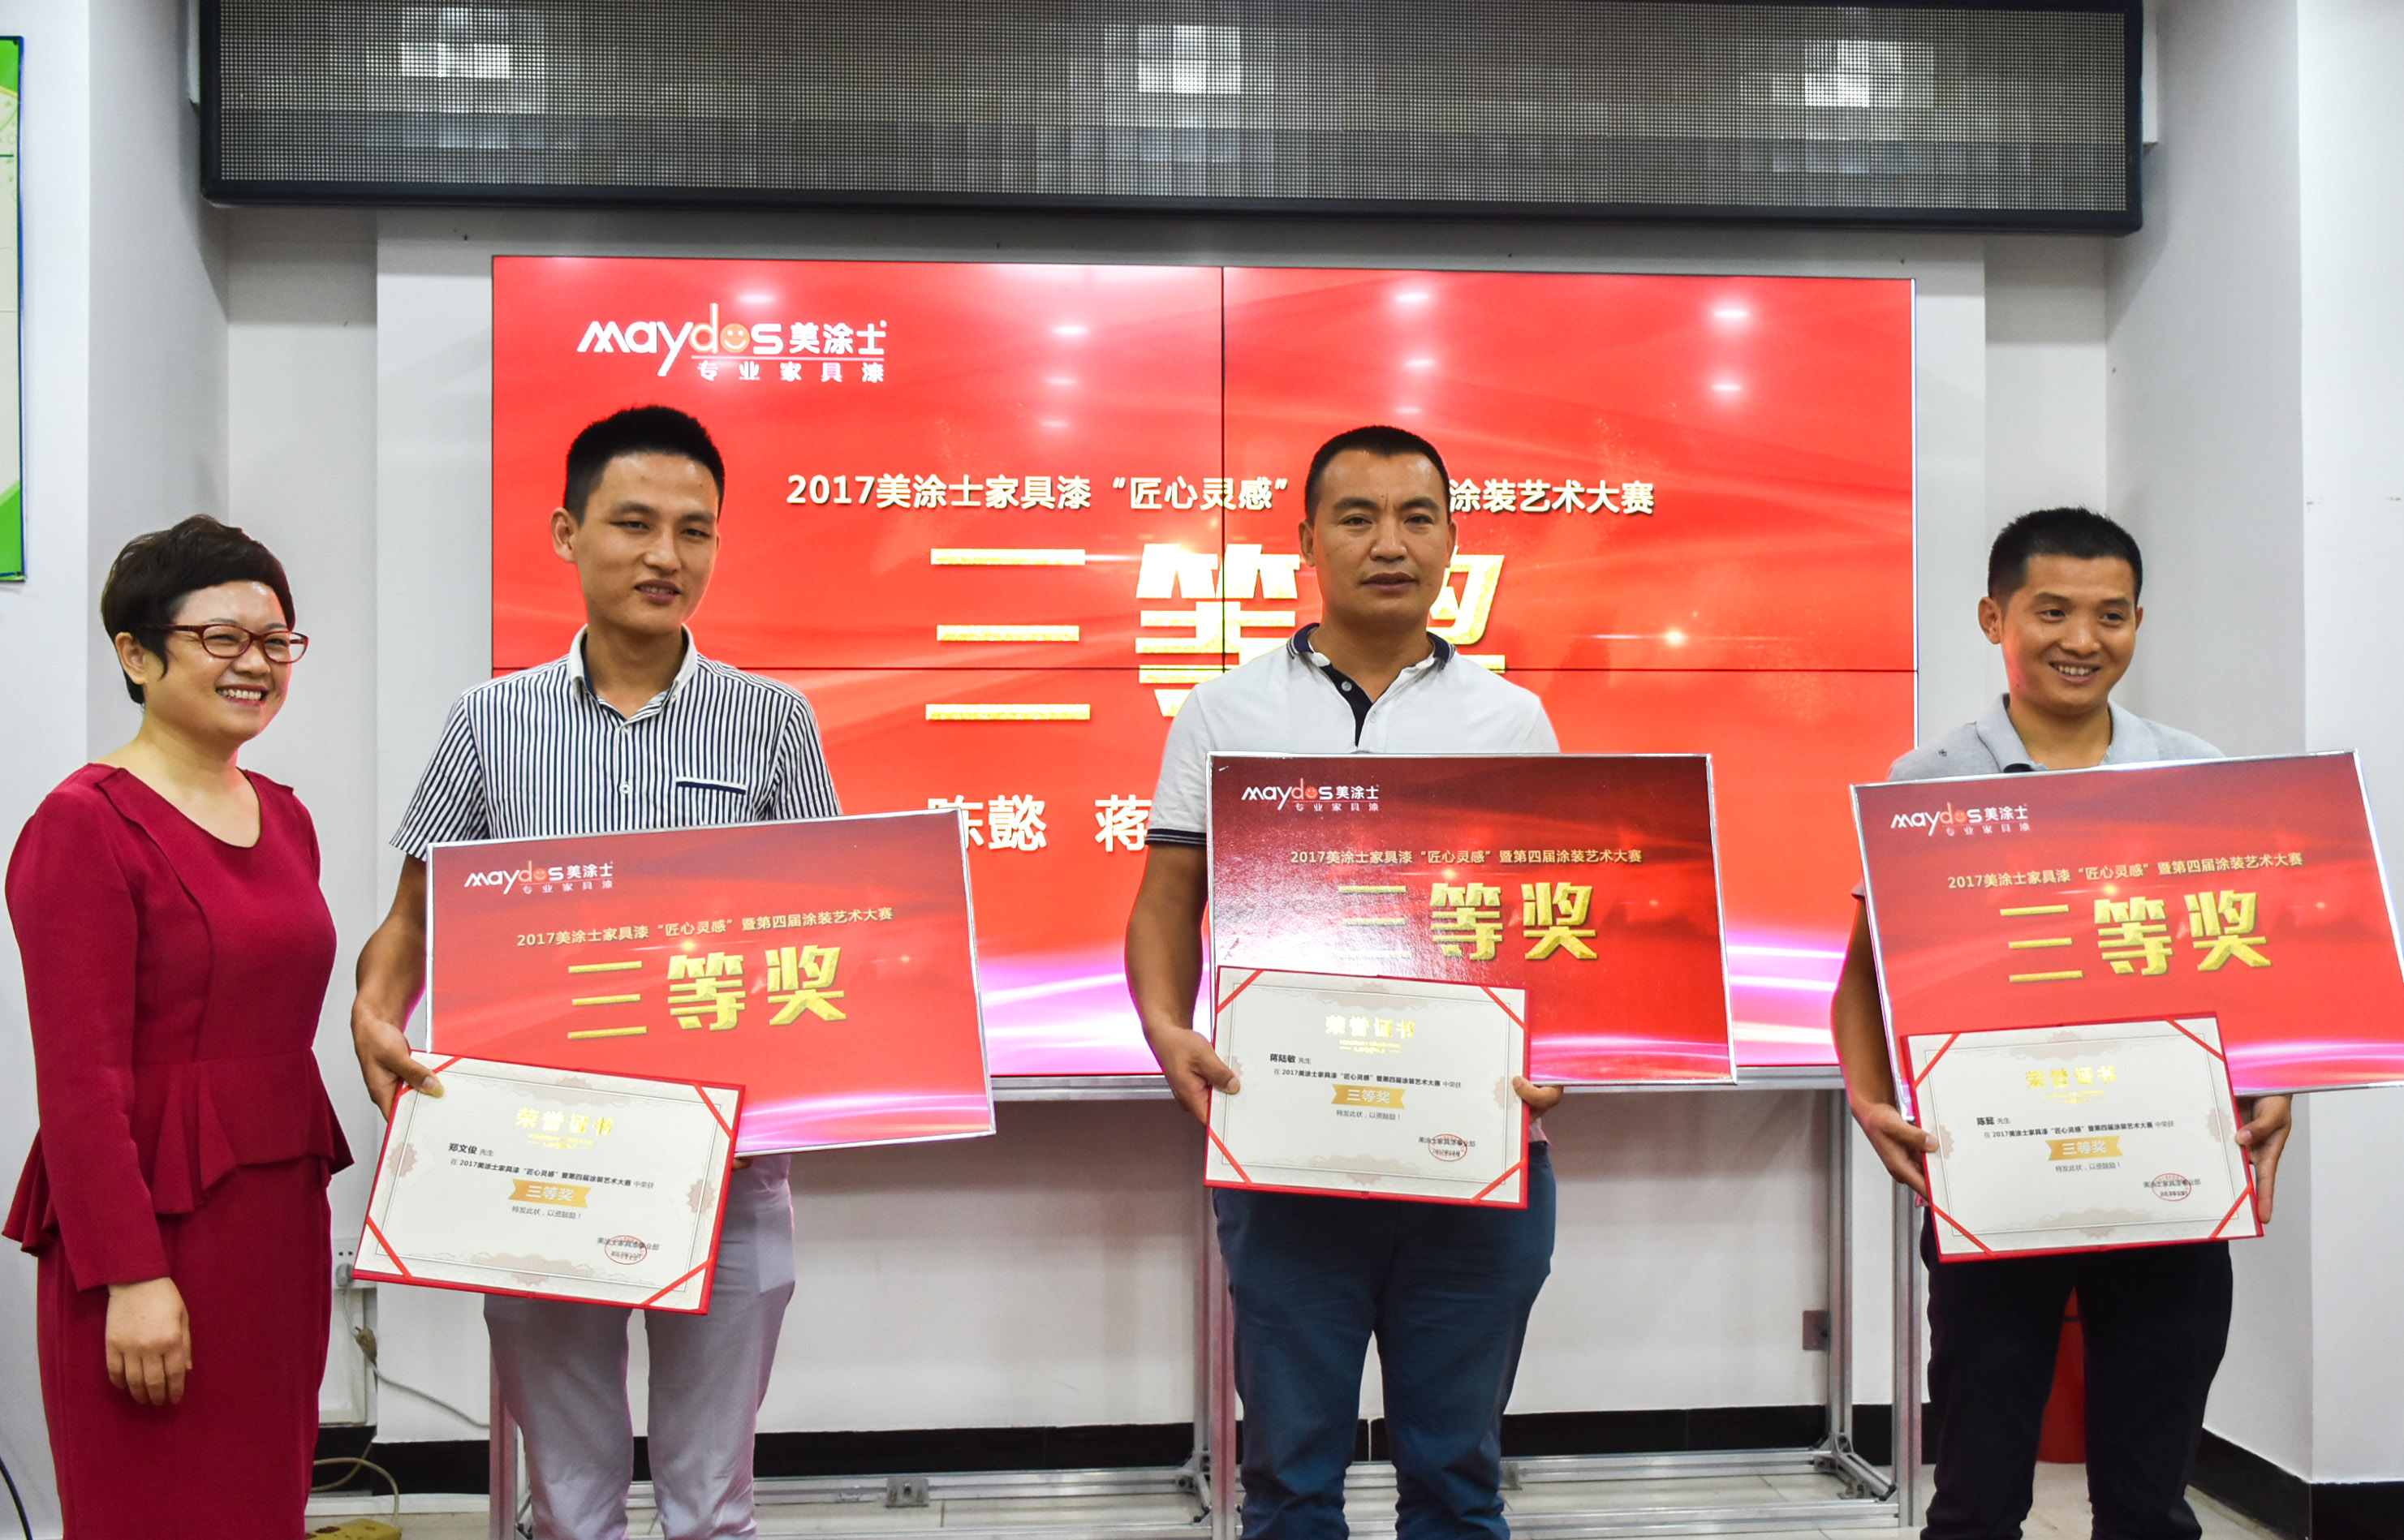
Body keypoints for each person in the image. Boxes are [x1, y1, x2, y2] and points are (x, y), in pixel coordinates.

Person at [349, 405, 839, 1540]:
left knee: (711, 1505)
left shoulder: (774, 722)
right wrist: (374, 1009)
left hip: (726, 1155)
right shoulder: (487, 722)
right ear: (568, 532)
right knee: (568, 1503)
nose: (666, 555)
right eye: (633, 523)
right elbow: (413, 920)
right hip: (541, 1150)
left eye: (694, 530)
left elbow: (828, 927)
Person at [1126, 425, 1562, 1540]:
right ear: (1306, 540)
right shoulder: (1222, 711)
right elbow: (1168, 900)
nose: (1389, 543)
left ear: (1452, 541)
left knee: (1459, 1480)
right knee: (1286, 1480)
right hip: (1284, 1143)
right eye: (1357, 517)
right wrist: (1167, 1030)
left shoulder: (1510, 719)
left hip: (1472, 1147)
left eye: (1417, 517)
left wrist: (1563, 1051)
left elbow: (1549, 922)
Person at [1830, 507, 2294, 1540]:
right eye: (2051, 611)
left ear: (2137, 622)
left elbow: (2253, 959)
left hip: (2168, 1170)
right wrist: (1867, 1099)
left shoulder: (2195, 772)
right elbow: (1864, 975)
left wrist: (2279, 1081)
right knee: (1977, 1486)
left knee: (2150, 1494)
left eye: (2110, 614)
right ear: (1993, 616)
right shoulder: (1928, 783)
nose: (2082, 639)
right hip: (1995, 1169)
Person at [5, 517, 351, 1538]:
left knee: (263, 1501)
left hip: (277, 1225)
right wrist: (131, 1274)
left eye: (276, 640)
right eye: (221, 638)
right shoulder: (84, 822)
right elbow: (79, 1081)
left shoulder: (285, 814)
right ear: (136, 654)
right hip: (153, 1232)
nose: (256, 662)